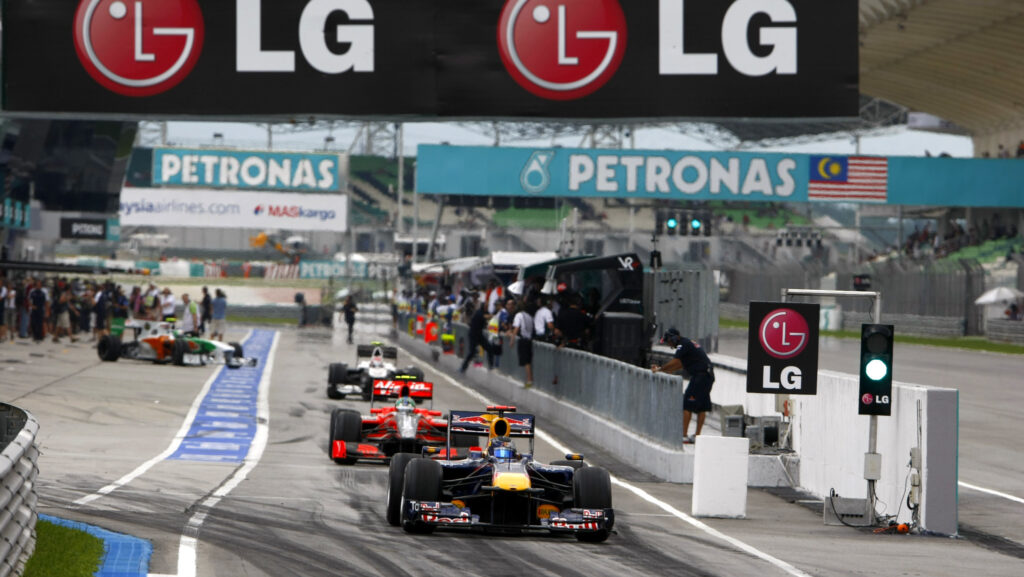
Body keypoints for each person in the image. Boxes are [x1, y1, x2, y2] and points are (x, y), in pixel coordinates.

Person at [651, 328, 715, 444]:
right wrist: (664, 370)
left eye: (668, 342)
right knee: (702, 407)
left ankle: (684, 435)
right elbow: (680, 364)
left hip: (700, 377)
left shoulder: (682, 345)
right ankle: (697, 436)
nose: (669, 344)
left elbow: (675, 362)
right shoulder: (688, 343)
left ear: (674, 338)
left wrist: (660, 369)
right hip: (708, 375)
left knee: (687, 404)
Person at [459, 293, 498, 373]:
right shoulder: (479, 313)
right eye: (486, 306)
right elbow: (484, 317)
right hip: (473, 335)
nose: (487, 308)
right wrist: (493, 316)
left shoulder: (483, 312)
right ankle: (463, 368)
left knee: (489, 349)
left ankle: (491, 366)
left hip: (479, 335)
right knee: (472, 352)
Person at [510, 301, 535, 387]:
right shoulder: (529, 316)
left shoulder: (519, 315)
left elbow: (516, 327)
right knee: (528, 360)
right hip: (529, 339)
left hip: (523, 340)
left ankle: (529, 380)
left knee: (525, 361)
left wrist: (512, 339)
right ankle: (529, 379)